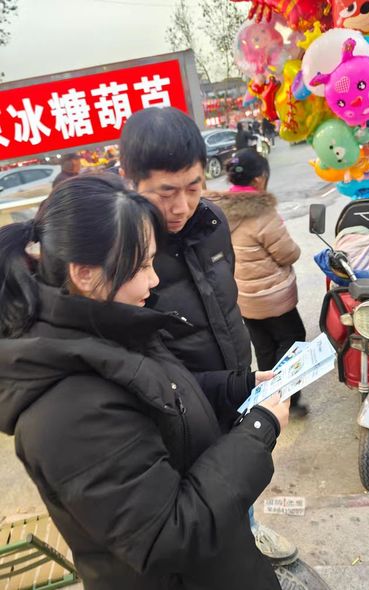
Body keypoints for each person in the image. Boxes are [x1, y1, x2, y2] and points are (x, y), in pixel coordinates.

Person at [0, 174, 291, 590]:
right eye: (140, 267)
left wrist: (241, 386)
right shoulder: (67, 410)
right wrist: (260, 429)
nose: (153, 281)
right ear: (85, 274)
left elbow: (164, 393)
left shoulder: (106, 324)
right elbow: (168, 537)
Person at [119, 106, 298, 564]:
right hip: (181, 402)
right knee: (206, 491)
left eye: (193, 187)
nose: (181, 206)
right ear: (128, 180)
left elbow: (225, 301)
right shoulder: (123, 254)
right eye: (165, 192)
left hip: (234, 380)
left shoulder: (214, 222)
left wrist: (245, 375)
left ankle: (250, 530)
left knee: (243, 467)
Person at [209, 148, 308, 416]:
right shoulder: (262, 212)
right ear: (259, 178)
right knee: (293, 340)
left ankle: (268, 399)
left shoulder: (218, 210)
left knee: (264, 347)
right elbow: (287, 253)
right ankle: (287, 399)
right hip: (272, 297)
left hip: (242, 296)